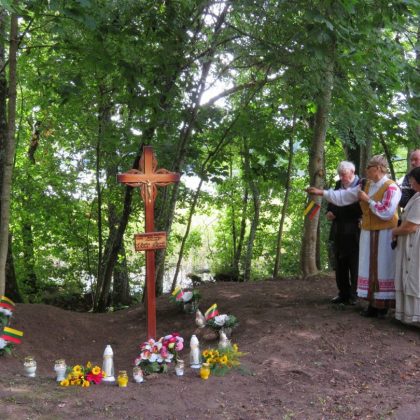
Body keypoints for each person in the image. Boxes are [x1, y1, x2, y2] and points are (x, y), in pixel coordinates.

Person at [307, 155, 401, 318]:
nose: (366, 170)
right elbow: (344, 196)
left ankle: (383, 305)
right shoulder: (367, 185)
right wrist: (320, 192)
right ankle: (373, 304)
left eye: (369, 167)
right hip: (368, 232)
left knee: (383, 268)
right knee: (369, 267)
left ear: (378, 168)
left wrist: (368, 200)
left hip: (384, 234)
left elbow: (386, 212)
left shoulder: (391, 187)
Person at [327, 161, 362, 305]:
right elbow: (331, 202)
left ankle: (355, 294)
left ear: (352, 172)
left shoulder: (361, 185)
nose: (342, 178)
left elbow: (361, 207)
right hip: (339, 229)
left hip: (355, 231)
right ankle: (343, 293)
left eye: (344, 175)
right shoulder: (338, 184)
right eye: (340, 175)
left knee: (355, 264)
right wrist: (329, 212)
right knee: (340, 263)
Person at [392, 166, 420, 325]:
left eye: (413, 181)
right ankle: (408, 315)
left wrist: (394, 231)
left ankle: (415, 316)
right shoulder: (416, 196)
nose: (410, 183)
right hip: (409, 242)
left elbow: (411, 226)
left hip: (415, 243)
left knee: (415, 277)